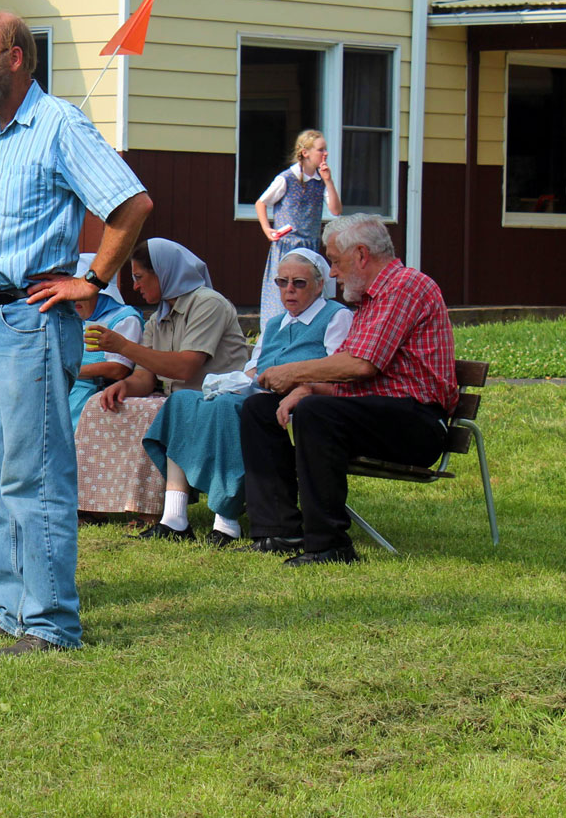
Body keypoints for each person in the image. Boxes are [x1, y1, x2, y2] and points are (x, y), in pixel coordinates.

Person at [0, 10, 152, 654]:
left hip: (29, 319)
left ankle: (50, 622)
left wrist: (93, 280)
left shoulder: (60, 124)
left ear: (15, 58)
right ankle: (13, 610)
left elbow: (131, 205)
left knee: (33, 474)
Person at [240, 215, 457, 566]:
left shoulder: (404, 287)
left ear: (360, 255)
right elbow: (351, 369)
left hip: (418, 422)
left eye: (336, 262)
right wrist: (306, 386)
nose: (334, 274)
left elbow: (360, 365)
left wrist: (295, 375)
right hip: (378, 413)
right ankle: (278, 531)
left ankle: (330, 545)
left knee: (314, 412)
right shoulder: (371, 300)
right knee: (260, 409)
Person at [140, 249, 352, 546]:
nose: (288, 290)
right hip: (258, 393)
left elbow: (336, 368)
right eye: (281, 282)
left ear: (319, 285)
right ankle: (174, 518)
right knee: (183, 401)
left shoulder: (336, 316)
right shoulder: (276, 323)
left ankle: (225, 521)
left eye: (299, 283)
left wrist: (292, 380)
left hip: (295, 400)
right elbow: (252, 371)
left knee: (229, 407)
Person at [76, 239, 250, 526]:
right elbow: (145, 377)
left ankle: (152, 508)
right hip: (177, 400)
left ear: (163, 273)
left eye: (139, 277)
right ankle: (94, 505)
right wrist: (125, 387)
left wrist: (123, 347)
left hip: (213, 400)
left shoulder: (208, 304)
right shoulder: (158, 318)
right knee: (100, 406)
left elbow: (185, 367)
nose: (136, 286)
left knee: (153, 413)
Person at [255, 129, 342, 320]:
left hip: (309, 246)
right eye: (321, 149)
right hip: (287, 245)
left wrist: (329, 182)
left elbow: (336, 210)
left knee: (309, 295)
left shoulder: (320, 181)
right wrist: (266, 229)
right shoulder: (286, 178)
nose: (325, 153)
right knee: (285, 292)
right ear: (306, 153)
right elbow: (261, 202)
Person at [68, 252, 143, 430]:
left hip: (91, 392)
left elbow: (118, 369)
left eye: (82, 293)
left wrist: (68, 372)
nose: (75, 299)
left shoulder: (124, 319)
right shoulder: (71, 317)